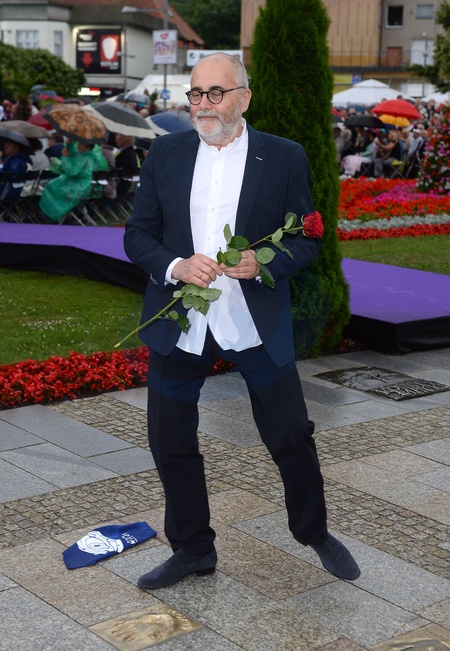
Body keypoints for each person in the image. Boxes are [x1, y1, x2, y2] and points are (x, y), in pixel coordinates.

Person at [123, 52, 360, 591]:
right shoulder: (165, 153)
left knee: (291, 433)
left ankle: (314, 532)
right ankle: (192, 549)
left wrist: (265, 263)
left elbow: (307, 237)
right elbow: (138, 234)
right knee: (169, 439)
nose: (203, 104)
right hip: (182, 320)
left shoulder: (283, 157)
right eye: (196, 94)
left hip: (252, 321)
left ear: (244, 98)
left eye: (216, 93)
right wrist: (176, 266)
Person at [39, 138, 108, 222]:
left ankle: (56, 214)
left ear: (88, 147)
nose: (78, 146)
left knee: (52, 188)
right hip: (83, 186)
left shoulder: (85, 158)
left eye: (81, 144)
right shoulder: (88, 156)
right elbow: (75, 154)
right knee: (52, 186)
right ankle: (62, 215)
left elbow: (72, 172)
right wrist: (69, 144)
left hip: (78, 187)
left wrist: (65, 158)